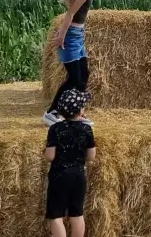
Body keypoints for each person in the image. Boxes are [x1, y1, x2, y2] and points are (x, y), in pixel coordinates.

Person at [42, 0, 106, 127]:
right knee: (74, 77)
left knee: (84, 75)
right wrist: (61, 35)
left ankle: (78, 112)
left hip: (78, 35)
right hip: (70, 36)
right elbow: (70, 14)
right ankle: (52, 113)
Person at [44, 89, 96, 237]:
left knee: (56, 215)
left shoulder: (55, 129)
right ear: (80, 111)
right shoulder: (87, 129)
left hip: (58, 176)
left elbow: (50, 156)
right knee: (77, 214)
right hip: (78, 176)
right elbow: (91, 156)